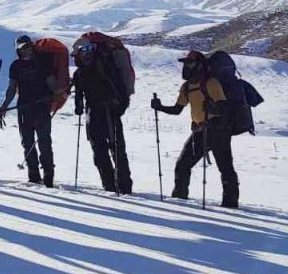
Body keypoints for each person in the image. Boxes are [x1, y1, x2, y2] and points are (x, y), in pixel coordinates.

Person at [152, 51, 239, 207]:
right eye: (185, 63)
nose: (185, 66)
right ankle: (179, 201)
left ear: (199, 65)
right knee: (182, 165)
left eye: (189, 63)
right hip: (200, 130)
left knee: (225, 168)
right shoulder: (187, 87)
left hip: (218, 130)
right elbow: (178, 109)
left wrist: (213, 108)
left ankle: (230, 205)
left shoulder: (211, 83)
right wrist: (160, 107)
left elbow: (224, 107)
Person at [72, 37, 132, 193]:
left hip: (110, 112)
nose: (87, 54)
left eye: (89, 50)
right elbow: (79, 94)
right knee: (100, 153)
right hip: (95, 114)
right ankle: (110, 187)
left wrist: (120, 106)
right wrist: (78, 105)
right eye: (83, 51)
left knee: (117, 151)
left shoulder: (106, 66)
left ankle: (124, 188)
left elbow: (120, 88)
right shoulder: (79, 73)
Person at [0, 35, 57, 187]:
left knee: (44, 142)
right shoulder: (15, 66)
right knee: (28, 143)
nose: (26, 50)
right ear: (17, 50)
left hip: (41, 107)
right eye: (22, 48)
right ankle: (34, 176)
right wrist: (5, 105)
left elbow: (51, 82)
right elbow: (12, 89)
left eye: (28, 46)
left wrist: (57, 93)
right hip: (24, 108)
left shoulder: (43, 62)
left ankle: (49, 177)